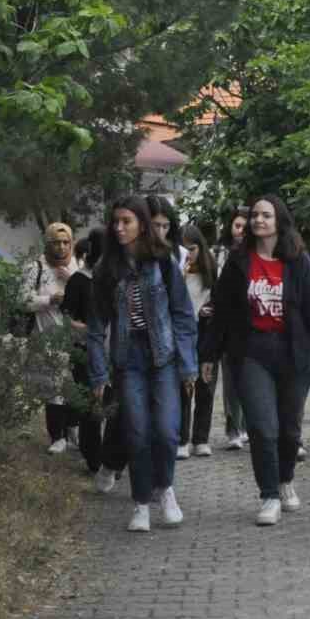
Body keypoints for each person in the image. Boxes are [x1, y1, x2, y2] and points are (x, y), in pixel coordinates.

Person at [200, 195, 310, 526]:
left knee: (289, 430)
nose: (258, 220)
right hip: (252, 353)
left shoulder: (298, 261)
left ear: (279, 221)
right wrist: (209, 353)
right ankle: (269, 495)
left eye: (265, 215)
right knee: (263, 427)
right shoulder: (238, 261)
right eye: (254, 216)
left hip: (293, 354)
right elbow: (221, 311)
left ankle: (285, 479)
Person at [86, 195, 199, 533]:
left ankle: (165, 489)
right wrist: (99, 374)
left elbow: (182, 314)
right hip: (127, 361)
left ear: (142, 224)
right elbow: (95, 328)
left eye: (127, 221)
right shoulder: (106, 269)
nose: (120, 228)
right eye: (115, 222)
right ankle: (140, 504)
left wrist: (188, 365)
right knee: (136, 432)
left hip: (162, 357)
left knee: (166, 431)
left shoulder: (163, 260)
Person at [64, 230, 126, 484]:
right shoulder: (79, 280)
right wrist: (93, 331)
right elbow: (68, 319)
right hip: (86, 352)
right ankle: (94, 459)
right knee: (92, 408)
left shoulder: (121, 279)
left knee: (115, 410)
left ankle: (112, 460)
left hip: (116, 352)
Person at [21, 222, 76, 453]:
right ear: (48, 243)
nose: (61, 247)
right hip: (46, 336)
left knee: (73, 385)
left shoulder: (77, 264)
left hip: (75, 337)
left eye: (66, 242)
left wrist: (72, 279)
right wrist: (49, 300)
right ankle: (57, 437)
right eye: (56, 242)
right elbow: (22, 300)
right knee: (52, 388)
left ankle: (73, 431)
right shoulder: (35, 268)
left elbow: (90, 294)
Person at [177, 224, 217, 459]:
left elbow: (218, 301)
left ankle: (200, 438)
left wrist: (208, 310)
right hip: (183, 335)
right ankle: (182, 438)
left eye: (191, 249)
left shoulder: (211, 271)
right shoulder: (175, 270)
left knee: (206, 386)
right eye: (183, 250)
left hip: (206, 334)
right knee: (184, 387)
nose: (188, 255)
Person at [215, 205, 250, 451]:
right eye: (237, 226)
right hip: (227, 325)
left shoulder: (261, 254)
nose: (240, 231)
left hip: (253, 326)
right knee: (231, 381)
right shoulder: (218, 253)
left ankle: (248, 426)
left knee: (251, 380)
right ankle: (233, 429)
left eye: (245, 228)